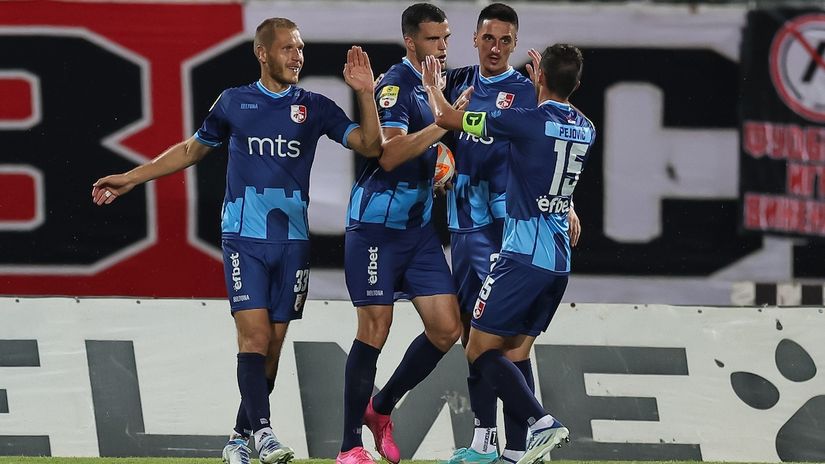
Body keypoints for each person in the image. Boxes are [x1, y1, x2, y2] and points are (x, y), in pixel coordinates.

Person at [92, 17, 382, 464]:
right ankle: (264, 434)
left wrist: (364, 94)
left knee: (273, 347)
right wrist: (132, 178)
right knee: (254, 336)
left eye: (300, 48)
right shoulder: (234, 102)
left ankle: (236, 440)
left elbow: (370, 145)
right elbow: (192, 149)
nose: (297, 56)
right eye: (287, 48)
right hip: (244, 238)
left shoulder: (316, 107)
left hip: (293, 242)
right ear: (262, 54)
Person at [422, 43, 595, 464]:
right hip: (558, 263)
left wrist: (431, 87)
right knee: (516, 353)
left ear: (539, 77)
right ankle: (515, 454)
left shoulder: (525, 122)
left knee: (479, 349)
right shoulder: (587, 127)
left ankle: (540, 422)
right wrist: (543, 85)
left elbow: (447, 118)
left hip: (521, 256)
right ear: (577, 83)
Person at [336, 4, 471, 464]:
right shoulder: (395, 85)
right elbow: (389, 155)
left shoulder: (437, 86)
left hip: (416, 232)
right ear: (411, 42)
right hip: (375, 228)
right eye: (434, 40)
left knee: (447, 328)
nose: (443, 47)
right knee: (376, 328)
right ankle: (349, 446)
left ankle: (381, 407)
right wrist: (441, 129)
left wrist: (439, 163)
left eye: (447, 38)